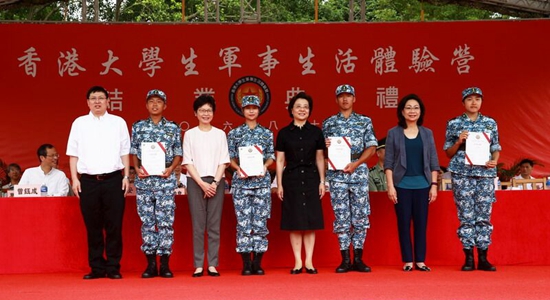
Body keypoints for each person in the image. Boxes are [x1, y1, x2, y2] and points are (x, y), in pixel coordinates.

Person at [66, 85, 131, 280]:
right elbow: (73, 154)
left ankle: (113, 267)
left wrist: (126, 176)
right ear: (87, 102)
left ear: (108, 101)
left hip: (113, 180)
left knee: (114, 225)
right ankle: (96, 267)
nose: (97, 101)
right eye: (93, 98)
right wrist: (75, 179)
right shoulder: (79, 123)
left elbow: (124, 152)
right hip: (88, 181)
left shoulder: (118, 122)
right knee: (93, 226)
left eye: (101, 98)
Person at [444, 87, 501, 272]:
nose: (474, 102)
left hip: (485, 173)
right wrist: (459, 141)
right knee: (466, 216)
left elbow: (496, 147)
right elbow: (448, 152)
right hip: (462, 173)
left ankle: (483, 257)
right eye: (470, 99)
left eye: (477, 99)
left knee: (484, 216)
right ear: (463, 102)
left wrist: (495, 160)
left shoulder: (490, 122)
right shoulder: (454, 123)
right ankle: (468, 257)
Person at [322, 84, 377, 273]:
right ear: (336, 100)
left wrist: (356, 163)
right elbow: (321, 151)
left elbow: (371, 148)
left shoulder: (364, 121)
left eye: (348, 96)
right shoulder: (328, 123)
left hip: (358, 171)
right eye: (341, 96)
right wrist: (326, 145)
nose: (345, 99)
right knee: (342, 216)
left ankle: (359, 258)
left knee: (361, 216)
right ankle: (345, 258)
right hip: (337, 174)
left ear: (354, 99)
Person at [130, 89, 183, 278]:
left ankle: (165, 265)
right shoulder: (138, 127)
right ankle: (151, 265)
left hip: (165, 179)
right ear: (146, 105)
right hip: (144, 181)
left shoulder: (173, 128)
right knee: (147, 222)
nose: (154, 105)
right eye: (151, 101)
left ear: (165, 106)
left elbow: (178, 153)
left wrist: (172, 169)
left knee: (166, 222)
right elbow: (134, 151)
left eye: (158, 102)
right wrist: (136, 169)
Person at [384, 94, 440, 272]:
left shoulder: (427, 133)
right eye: (408, 107)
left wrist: (433, 186)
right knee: (403, 223)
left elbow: (433, 161)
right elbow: (388, 163)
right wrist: (391, 186)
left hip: (423, 185)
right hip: (401, 185)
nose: (412, 111)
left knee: (421, 224)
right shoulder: (393, 133)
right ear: (402, 111)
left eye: (416, 107)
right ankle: (408, 260)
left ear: (421, 111)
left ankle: (421, 261)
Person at [276, 92, 326, 275]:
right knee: (295, 221)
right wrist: (279, 184)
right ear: (291, 109)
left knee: (310, 220)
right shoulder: (283, 133)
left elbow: (320, 159)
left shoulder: (316, 132)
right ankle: (298, 261)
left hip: (312, 178)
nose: (302, 109)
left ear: (310, 110)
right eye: (298, 106)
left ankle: (309, 261)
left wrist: (322, 181)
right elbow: (280, 161)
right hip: (292, 179)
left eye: (305, 106)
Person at [183, 94, 229, 277]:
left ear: (213, 113)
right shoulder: (189, 134)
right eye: (202, 110)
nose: (205, 113)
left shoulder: (220, 134)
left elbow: (223, 161)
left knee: (214, 224)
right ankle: (198, 264)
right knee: (198, 224)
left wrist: (215, 183)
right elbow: (187, 161)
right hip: (196, 182)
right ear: (195, 113)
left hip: (216, 181)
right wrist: (202, 184)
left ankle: (212, 264)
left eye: (209, 110)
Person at [227, 95, 275, 276]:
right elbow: (230, 157)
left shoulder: (266, 133)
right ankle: (246, 263)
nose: (251, 110)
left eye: (254, 107)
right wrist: (237, 168)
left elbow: (272, 156)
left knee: (260, 222)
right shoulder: (234, 133)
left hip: (261, 183)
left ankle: (258, 262)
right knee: (244, 223)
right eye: (248, 108)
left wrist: (265, 166)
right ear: (242, 110)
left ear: (259, 110)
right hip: (241, 184)